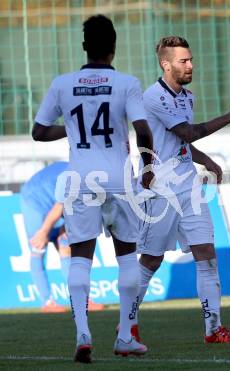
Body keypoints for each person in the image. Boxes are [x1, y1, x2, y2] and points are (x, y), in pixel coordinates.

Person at [32, 15, 154, 363]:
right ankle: (126, 336)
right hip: (118, 177)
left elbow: (39, 132)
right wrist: (147, 169)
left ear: (84, 46)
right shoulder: (127, 83)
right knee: (127, 255)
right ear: (114, 48)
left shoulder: (63, 84)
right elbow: (143, 129)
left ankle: (83, 333)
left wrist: (70, 130)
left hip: (80, 179)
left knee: (80, 256)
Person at [134, 36, 230, 343]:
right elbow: (186, 131)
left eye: (191, 60)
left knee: (207, 255)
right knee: (151, 260)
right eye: (183, 61)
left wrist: (205, 160)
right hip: (160, 186)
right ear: (166, 64)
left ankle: (213, 329)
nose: (191, 65)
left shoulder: (187, 97)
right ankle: (127, 322)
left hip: (188, 184)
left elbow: (181, 142)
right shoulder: (153, 97)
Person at [21, 161, 105, 314]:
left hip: (56, 199)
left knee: (66, 245)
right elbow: (59, 207)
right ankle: (47, 302)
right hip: (36, 200)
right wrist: (43, 232)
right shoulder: (77, 177)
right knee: (38, 247)